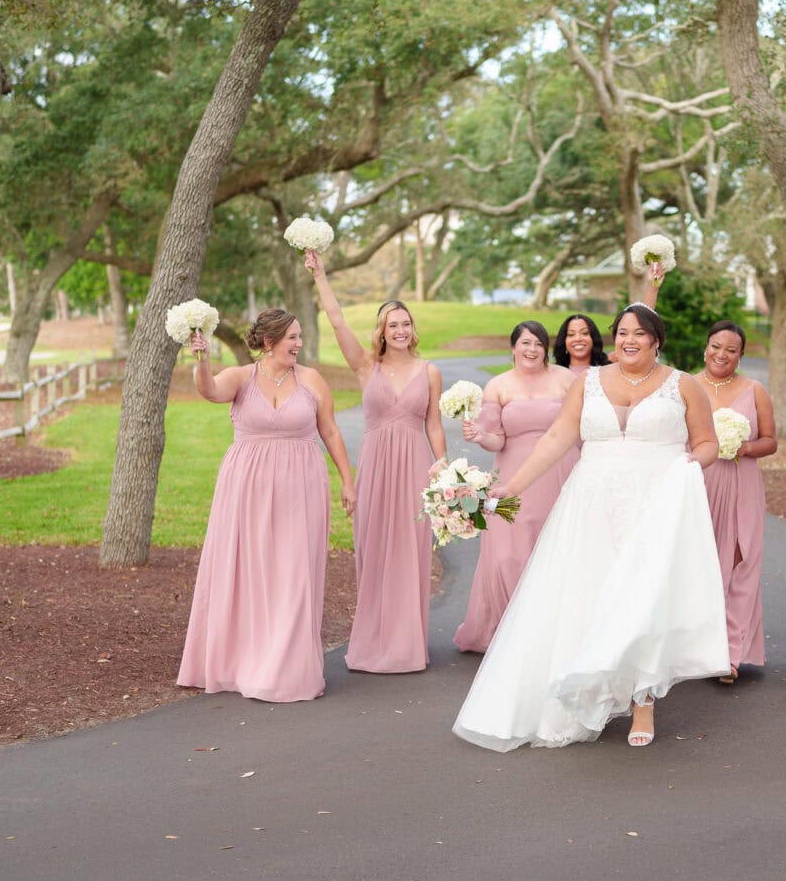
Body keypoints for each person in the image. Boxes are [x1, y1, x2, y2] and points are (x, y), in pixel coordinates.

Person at [452, 302, 729, 750]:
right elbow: (558, 438)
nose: (629, 340)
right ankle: (583, 688)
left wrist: (689, 465)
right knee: (590, 593)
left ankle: (643, 699)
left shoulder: (684, 386)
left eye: (639, 333)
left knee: (644, 597)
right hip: (591, 504)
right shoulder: (589, 382)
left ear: (656, 339)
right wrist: (512, 486)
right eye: (622, 333)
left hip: (656, 502)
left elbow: (708, 443)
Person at [176, 310, 355, 702]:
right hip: (246, 489)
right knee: (248, 571)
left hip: (301, 488)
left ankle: (287, 670)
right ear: (269, 341)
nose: (298, 344)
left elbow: (330, 430)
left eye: (300, 337)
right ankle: (241, 663)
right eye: (292, 337)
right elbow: (209, 391)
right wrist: (201, 360)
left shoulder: (311, 380)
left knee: (295, 575)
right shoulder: (242, 377)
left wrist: (347, 479)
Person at [307, 251, 447, 674]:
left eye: (406, 324)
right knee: (372, 552)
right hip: (375, 467)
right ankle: (370, 644)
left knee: (410, 553)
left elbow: (435, 425)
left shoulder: (430, 371)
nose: (401, 330)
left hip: (415, 468)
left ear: (413, 330)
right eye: (393, 324)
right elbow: (336, 320)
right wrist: (320, 275)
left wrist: (444, 469)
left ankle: (406, 646)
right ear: (382, 332)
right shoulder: (367, 366)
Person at [453, 321, 580, 653]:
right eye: (525, 343)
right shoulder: (498, 386)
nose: (532, 349)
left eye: (539, 343)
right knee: (508, 555)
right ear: (513, 348)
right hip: (513, 476)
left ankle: (555, 630)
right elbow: (497, 440)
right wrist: (480, 436)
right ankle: (516, 628)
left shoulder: (566, 379)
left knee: (557, 549)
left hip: (561, 473)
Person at [694, 320, 776, 683]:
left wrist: (742, 446)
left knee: (740, 562)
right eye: (716, 346)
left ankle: (731, 653)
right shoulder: (687, 386)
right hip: (698, 483)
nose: (721, 354)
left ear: (740, 356)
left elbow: (771, 441)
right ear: (706, 347)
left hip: (742, 483)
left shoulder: (754, 390)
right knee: (701, 564)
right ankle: (696, 649)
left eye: (731, 349)